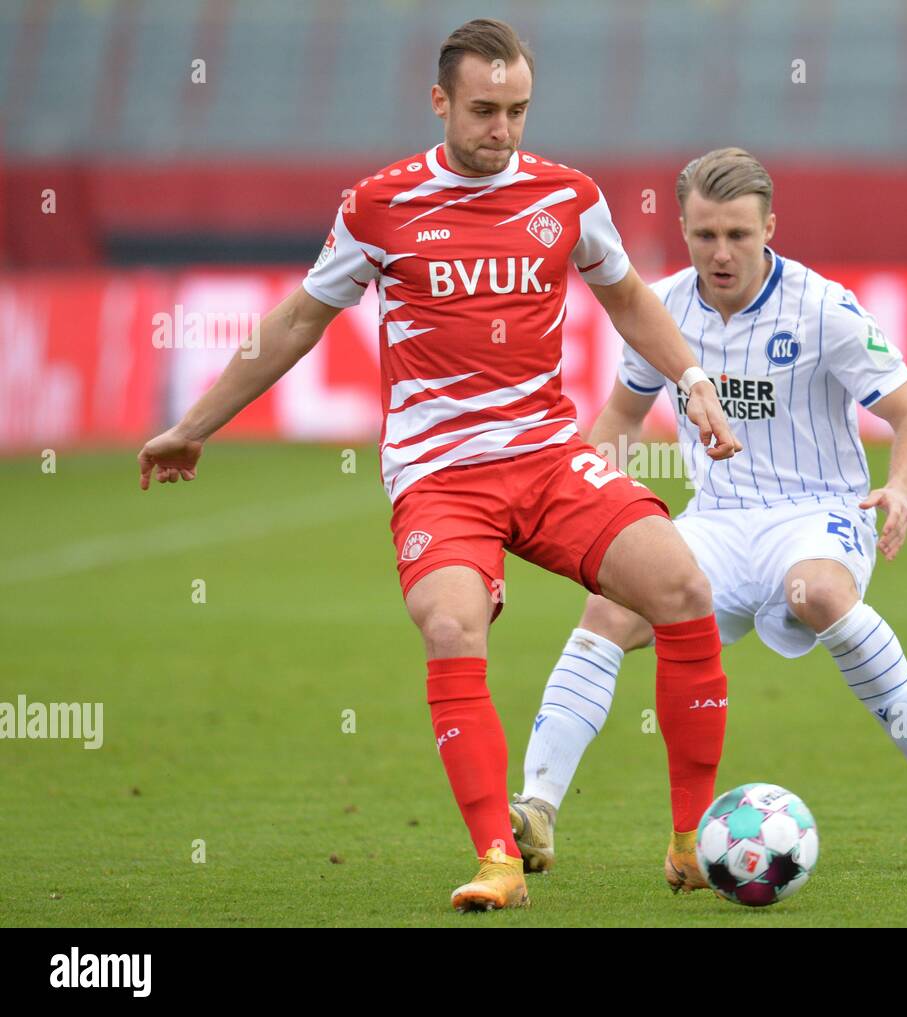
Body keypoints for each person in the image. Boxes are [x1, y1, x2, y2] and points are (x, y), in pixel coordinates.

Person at [136, 19, 745, 912]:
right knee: (453, 625)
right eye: (485, 110)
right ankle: (498, 856)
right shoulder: (378, 206)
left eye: (519, 111)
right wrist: (196, 424)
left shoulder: (568, 196)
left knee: (684, 589)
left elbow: (627, 298)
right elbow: (300, 321)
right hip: (440, 478)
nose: (503, 130)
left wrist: (692, 378)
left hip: (546, 459)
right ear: (441, 102)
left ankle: (691, 843)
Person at [510, 148, 907, 881]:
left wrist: (901, 489)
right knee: (606, 609)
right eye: (705, 236)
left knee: (821, 594)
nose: (722, 252)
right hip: (719, 519)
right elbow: (622, 417)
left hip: (818, 511)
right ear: (684, 229)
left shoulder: (823, 308)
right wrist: (578, 490)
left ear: (770, 226)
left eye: (738, 234)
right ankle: (536, 810)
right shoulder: (664, 306)